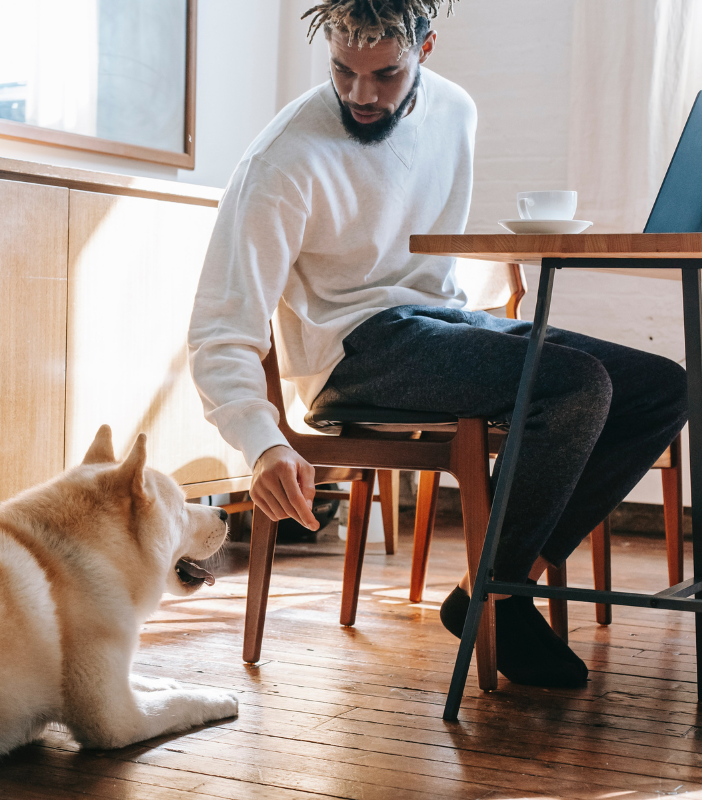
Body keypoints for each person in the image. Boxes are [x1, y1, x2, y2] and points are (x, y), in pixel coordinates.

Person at [187, 0, 688, 687]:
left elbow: (429, 267)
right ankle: (500, 598)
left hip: (436, 321)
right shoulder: (284, 160)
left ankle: (494, 588)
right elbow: (220, 328)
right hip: (353, 352)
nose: (360, 95)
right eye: (343, 72)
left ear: (425, 50)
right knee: (575, 385)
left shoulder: (456, 110)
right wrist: (263, 441)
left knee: (661, 387)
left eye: (384, 75)